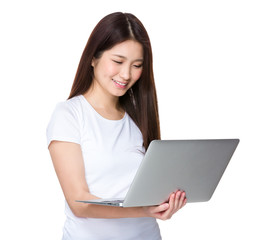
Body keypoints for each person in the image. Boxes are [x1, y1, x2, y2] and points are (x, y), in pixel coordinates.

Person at [46, 12, 187, 240]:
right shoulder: (69, 115)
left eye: (137, 65)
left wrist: (165, 203)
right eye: (118, 61)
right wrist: (143, 210)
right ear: (93, 57)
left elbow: (147, 189)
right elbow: (79, 203)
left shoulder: (138, 118)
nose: (126, 74)